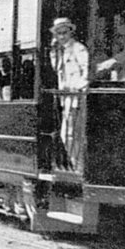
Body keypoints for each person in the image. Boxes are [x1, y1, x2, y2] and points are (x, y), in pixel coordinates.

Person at [49, 17, 89, 171]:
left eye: (64, 32)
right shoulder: (61, 51)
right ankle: (76, 165)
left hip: (76, 98)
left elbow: (87, 70)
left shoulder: (78, 48)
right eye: (58, 33)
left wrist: (79, 88)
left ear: (71, 32)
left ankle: (79, 167)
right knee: (69, 134)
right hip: (66, 99)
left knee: (71, 134)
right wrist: (54, 51)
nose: (61, 36)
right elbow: (57, 69)